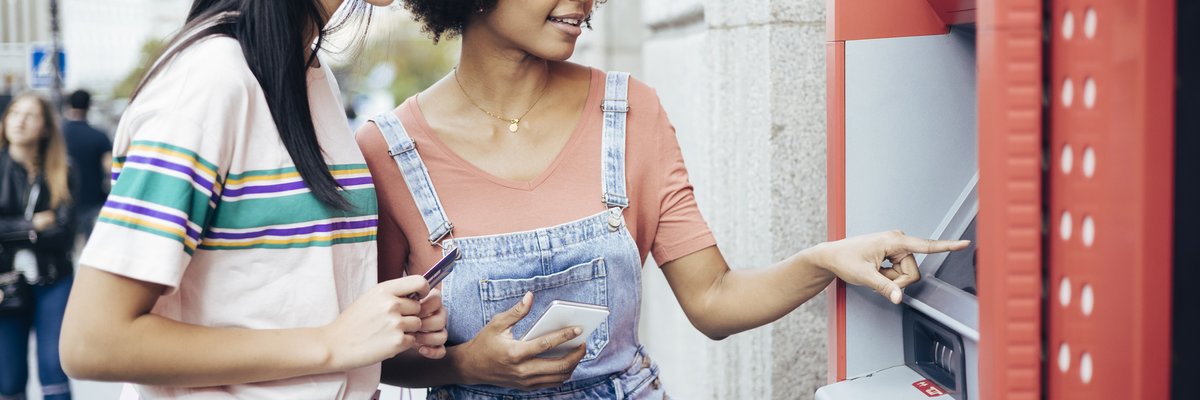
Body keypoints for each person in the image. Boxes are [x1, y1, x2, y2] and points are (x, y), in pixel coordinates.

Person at [356, 0, 971, 398]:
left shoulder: (631, 112)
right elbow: (373, 357)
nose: (585, 2)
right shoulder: (387, 152)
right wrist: (466, 367)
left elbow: (712, 299)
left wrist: (823, 260)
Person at [58, 1, 447, 399]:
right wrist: (331, 342)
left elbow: (280, 296)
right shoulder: (211, 79)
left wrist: (391, 322)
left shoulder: (310, 72)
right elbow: (93, 341)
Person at [0, 92, 77, 400]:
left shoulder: (63, 170)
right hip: (5, 282)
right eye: (15, 113)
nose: (20, 120)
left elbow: (64, 233)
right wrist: (32, 226)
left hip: (53, 279)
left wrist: (10, 228)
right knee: (8, 379)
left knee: (54, 371)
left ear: (45, 127)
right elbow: (47, 226)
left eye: (31, 115)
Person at [62, 89, 113, 239]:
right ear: (89, 106)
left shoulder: (59, 134)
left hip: (64, 200)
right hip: (92, 200)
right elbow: (110, 166)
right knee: (90, 245)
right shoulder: (99, 135)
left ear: (68, 105)